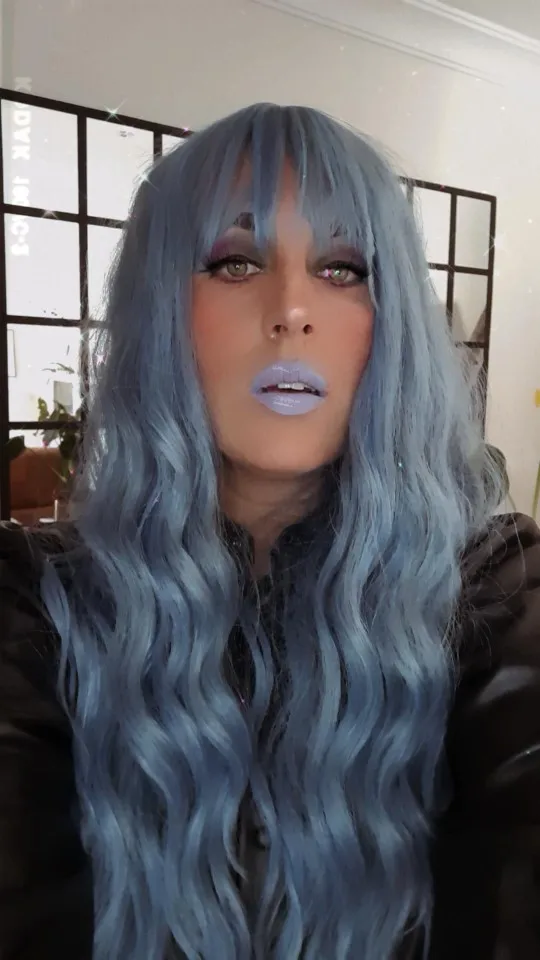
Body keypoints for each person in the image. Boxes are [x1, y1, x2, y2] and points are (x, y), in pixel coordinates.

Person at [0, 103, 539, 960]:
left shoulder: (500, 591)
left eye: (341, 268)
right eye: (236, 262)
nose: (291, 309)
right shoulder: (34, 602)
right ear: (160, 312)